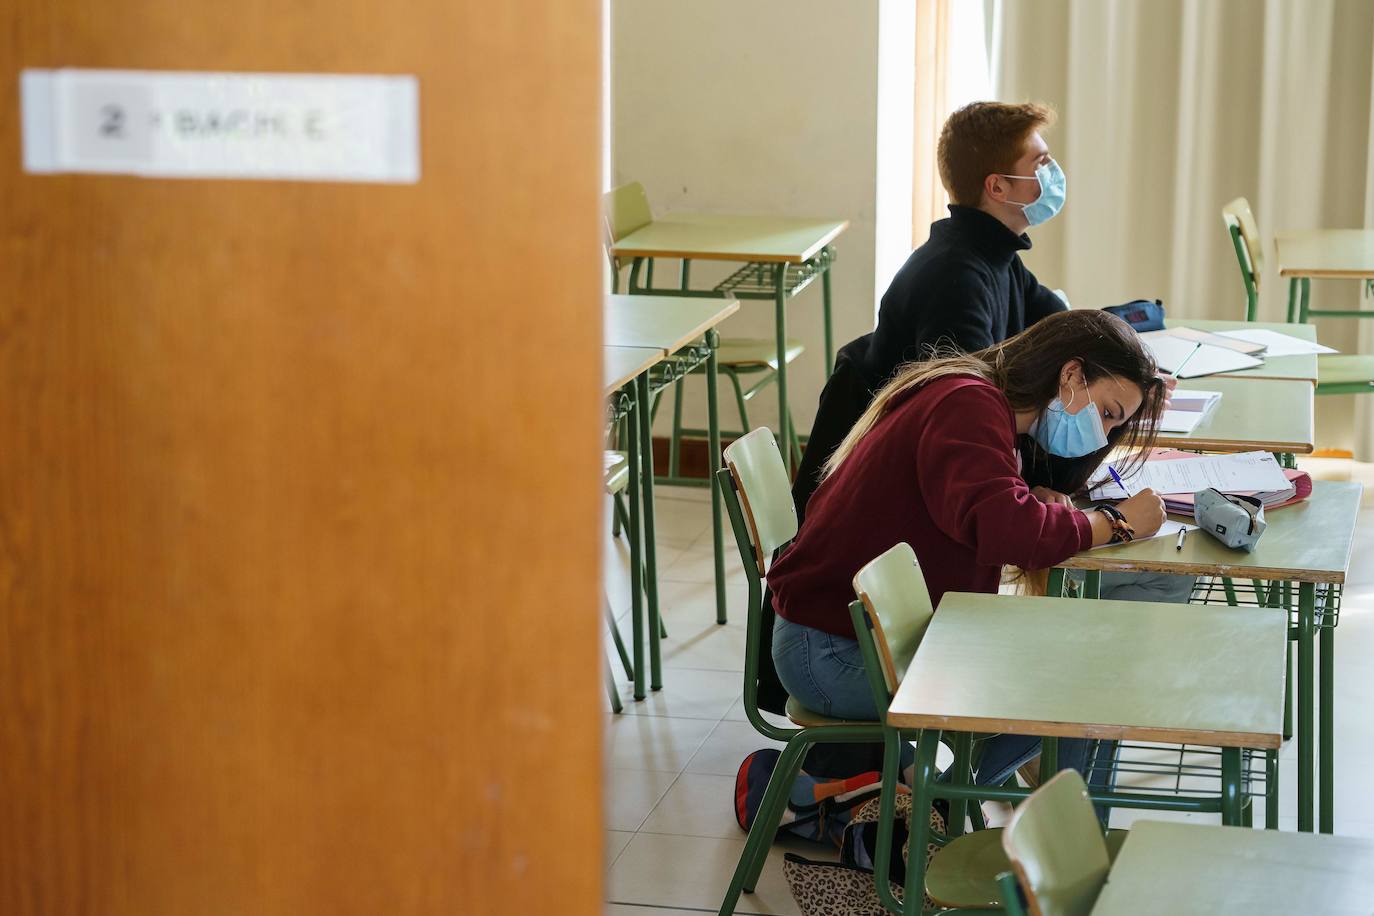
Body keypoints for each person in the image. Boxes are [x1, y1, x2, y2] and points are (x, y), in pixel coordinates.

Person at [767, 309, 1167, 784]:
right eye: (1106, 412)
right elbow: (1007, 531)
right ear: (1072, 375)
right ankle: (979, 802)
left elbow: (990, 506)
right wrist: (1116, 523)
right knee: (1079, 682)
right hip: (832, 654)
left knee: (1071, 666)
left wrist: (1031, 500)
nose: (1101, 433)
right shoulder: (968, 406)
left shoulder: (979, 397)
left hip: (853, 635)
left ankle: (955, 792)